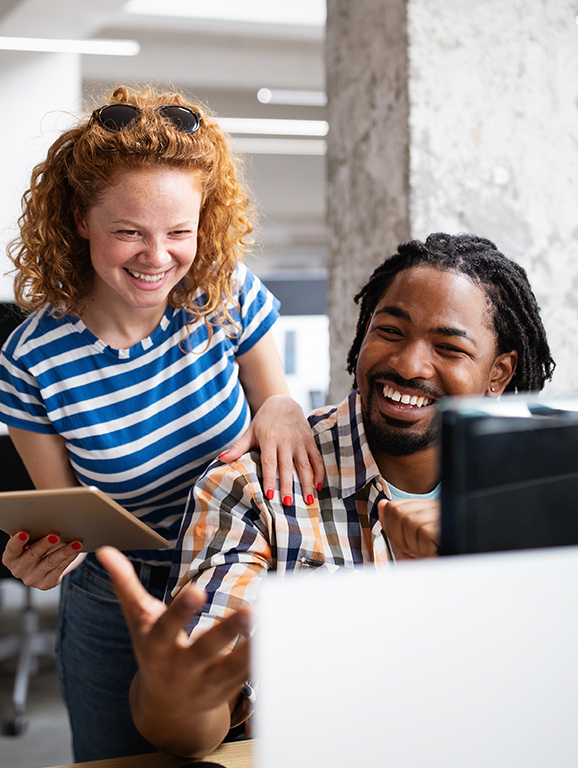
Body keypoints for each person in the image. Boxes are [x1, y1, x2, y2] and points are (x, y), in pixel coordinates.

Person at [101, 231, 555, 759]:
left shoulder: (536, 491)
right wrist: (176, 698)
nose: (409, 365)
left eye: (449, 348)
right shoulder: (252, 485)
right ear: (362, 334)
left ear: (498, 373)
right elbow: (202, 709)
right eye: (390, 331)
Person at [0, 86, 324, 761]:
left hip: (236, 572)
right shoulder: (31, 359)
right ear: (79, 220)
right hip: (116, 598)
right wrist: (44, 556)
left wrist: (284, 410)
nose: (158, 257)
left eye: (179, 231)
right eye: (128, 232)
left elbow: (276, 407)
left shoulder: (222, 294)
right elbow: (70, 518)